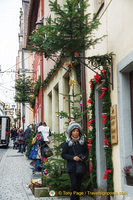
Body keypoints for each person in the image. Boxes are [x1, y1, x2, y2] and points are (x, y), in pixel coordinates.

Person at [62, 121, 88, 200]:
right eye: (74, 131)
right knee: (74, 185)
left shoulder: (82, 143)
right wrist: (73, 158)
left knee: (78, 185)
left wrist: (83, 157)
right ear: (71, 133)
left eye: (77, 131)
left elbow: (86, 153)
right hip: (72, 167)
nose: (76, 133)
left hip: (80, 167)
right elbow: (63, 154)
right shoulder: (67, 143)